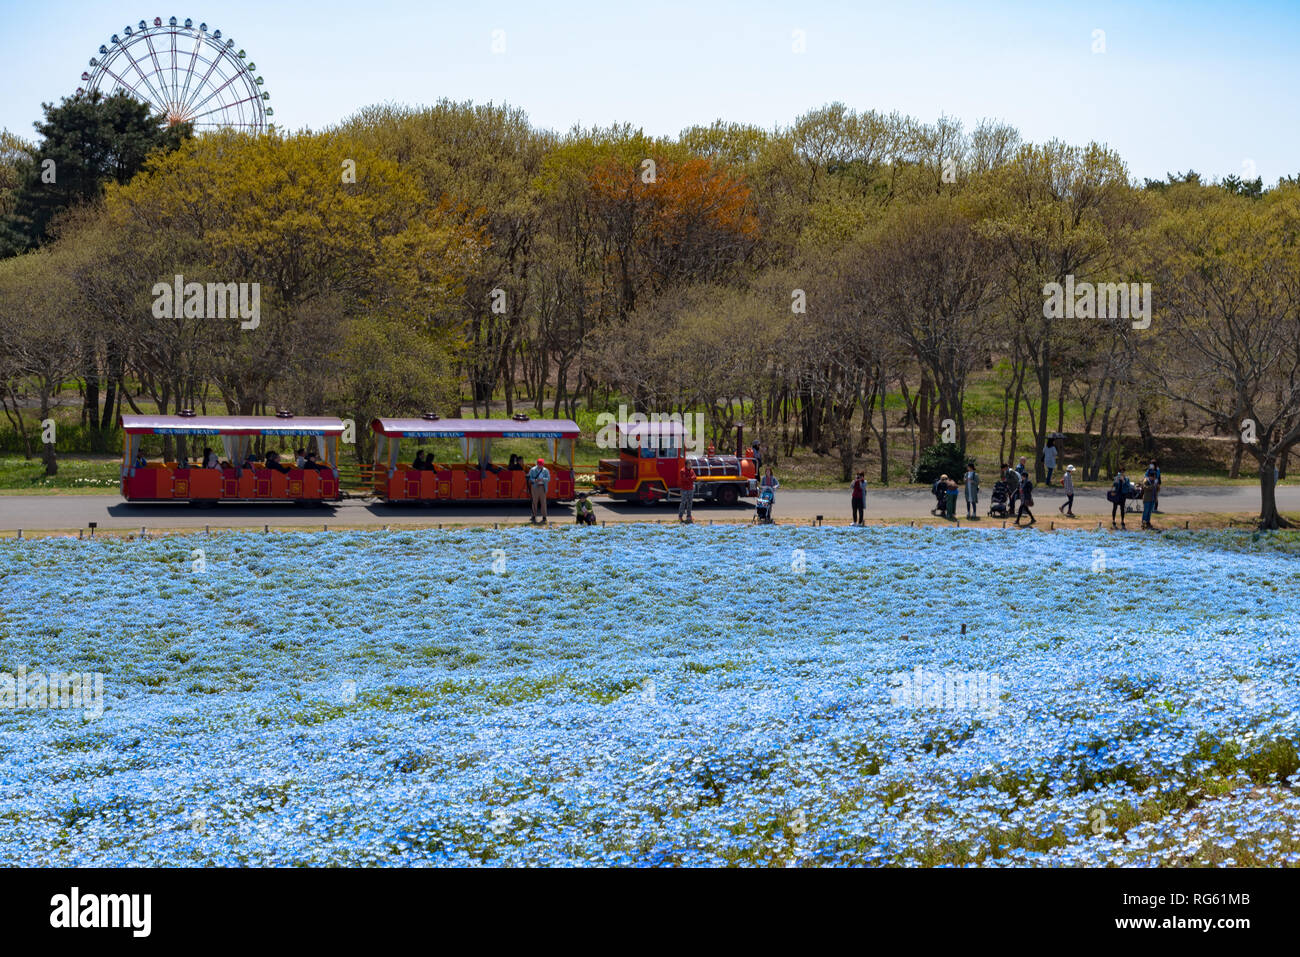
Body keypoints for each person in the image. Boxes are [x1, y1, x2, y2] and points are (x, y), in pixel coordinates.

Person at [527, 457, 550, 524]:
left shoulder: (546, 470)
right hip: (535, 487)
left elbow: (548, 479)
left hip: (542, 487)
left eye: (541, 464)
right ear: (537, 464)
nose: (540, 465)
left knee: (543, 502)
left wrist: (543, 479)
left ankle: (544, 516)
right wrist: (535, 480)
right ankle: (533, 515)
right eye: (539, 464)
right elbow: (530, 478)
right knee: (534, 501)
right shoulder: (532, 470)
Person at [678, 459, 697, 523]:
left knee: (690, 503)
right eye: (690, 463)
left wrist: (690, 478)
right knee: (683, 503)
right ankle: (680, 516)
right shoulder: (682, 471)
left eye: (691, 463)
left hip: (690, 489)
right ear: (687, 464)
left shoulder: (691, 470)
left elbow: (695, 477)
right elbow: (684, 479)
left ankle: (689, 516)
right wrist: (691, 479)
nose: (691, 464)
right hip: (684, 489)